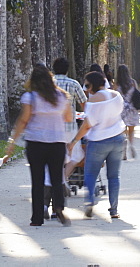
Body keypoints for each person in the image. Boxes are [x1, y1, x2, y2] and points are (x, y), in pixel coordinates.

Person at [5, 64, 74, 226]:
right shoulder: (61, 96)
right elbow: (69, 118)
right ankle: (58, 207)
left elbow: (23, 119)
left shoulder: (31, 97)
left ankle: (36, 218)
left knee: (37, 181)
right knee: (57, 178)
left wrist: (12, 141)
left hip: (36, 142)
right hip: (57, 142)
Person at [68, 71, 126, 219]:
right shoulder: (116, 96)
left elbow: (87, 125)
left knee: (90, 173)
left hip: (98, 140)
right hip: (118, 137)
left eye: (87, 85)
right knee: (114, 176)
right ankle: (114, 210)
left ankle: (89, 202)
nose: (86, 89)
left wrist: (74, 141)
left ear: (93, 84)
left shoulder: (93, 102)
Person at [52, 57, 87, 185]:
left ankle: (56, 180)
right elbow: (85, 104)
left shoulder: (48, 83)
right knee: (76, 156)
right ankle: (63, 178)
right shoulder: (74, 84)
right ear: (67, 70)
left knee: (54, 155)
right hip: (69, 125)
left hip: (51, 125)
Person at [113, 64, 140, 159]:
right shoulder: (133, 82)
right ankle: (131, 145)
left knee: (122, 131)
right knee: (131, 130)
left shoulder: (117, 84)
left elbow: (114, 96)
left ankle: (123, 151)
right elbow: (137, 94)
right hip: (132, 108)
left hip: (121, 109)